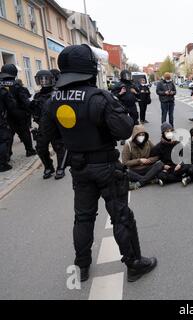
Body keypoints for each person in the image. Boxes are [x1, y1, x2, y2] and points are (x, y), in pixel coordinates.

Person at [37, 44, 157, 282]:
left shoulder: (53, 100)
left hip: (79, 168)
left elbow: (44, 138)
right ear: (90, 69)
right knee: (121, 215)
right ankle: (134, 264)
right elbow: (124, 130)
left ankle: (81, 267)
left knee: (83, 217)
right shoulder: (99, 97)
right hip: (105, 167)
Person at [31, 70, 66, 180]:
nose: (43, 81)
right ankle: (48, 167)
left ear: (51, 80)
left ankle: (61, 167)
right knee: (40, 148)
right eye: (41, 79)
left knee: (59, 147)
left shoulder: (57, 93)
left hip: (56, 126)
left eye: (46, 79)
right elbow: (34, 111)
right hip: (43, 126)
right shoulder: (37, 95)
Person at [0, 64, 36, 158]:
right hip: (18, 114)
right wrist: (30, 111)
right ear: (14, 73)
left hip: (5, 115)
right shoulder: (17, 86)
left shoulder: (1, 85)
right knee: (25, 133)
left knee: (8, 136)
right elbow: (25, 101)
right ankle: (29, 150)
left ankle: (7, 154)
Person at [122, 125, 164, 190]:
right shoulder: (128, 145)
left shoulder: (148, 142)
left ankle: (139, 183)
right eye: (139, 135)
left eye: (143, 135)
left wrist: (150, 160)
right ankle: (149, 180)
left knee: (160, 164)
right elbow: (125, 162)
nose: (141, 137)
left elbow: (157, 155)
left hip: (147, 168)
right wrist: (139, 160)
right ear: (135, 135)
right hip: (135, 170)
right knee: (124, 172)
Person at [0, 72, 13, 172]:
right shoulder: (3, 91)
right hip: (1, 120)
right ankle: (2, 164)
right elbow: (11, 106)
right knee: (3, 140)